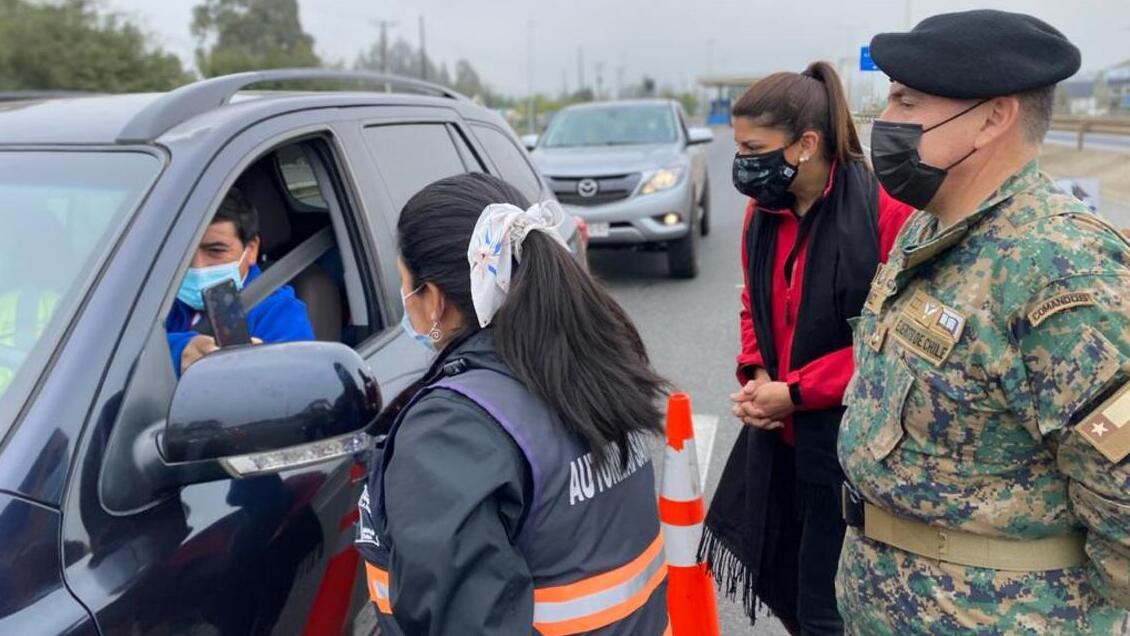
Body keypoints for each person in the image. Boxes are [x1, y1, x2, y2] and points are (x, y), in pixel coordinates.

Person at [836, 10, 1130, 634]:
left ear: (994, 117)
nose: (886, 122)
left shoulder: (1058, 265)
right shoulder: (930, 224)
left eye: (908, 101)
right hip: (886, 601)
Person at [355, 173, 670, 635]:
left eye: (405, 285)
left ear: (436, 300)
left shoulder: (454, 429)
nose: (405, 301)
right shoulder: (589, 372)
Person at [699, 61, 913, 635]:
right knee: (786, 584)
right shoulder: (761, 215)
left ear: (806, 144)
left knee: (828, 608)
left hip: (848, 447)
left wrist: (795, 392)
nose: (741, 160)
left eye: (753, 146)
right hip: (781, 437)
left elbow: (892, 343)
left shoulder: (884, 212)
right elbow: (755, 305)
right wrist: (758, 371)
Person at [166, 188, 313, 375]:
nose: (198, 266)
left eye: (216, 250)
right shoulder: (161, 301)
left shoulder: (281, 314)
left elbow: (290, 389)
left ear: (251, 250)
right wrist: (180, 350)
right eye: (185, 253)